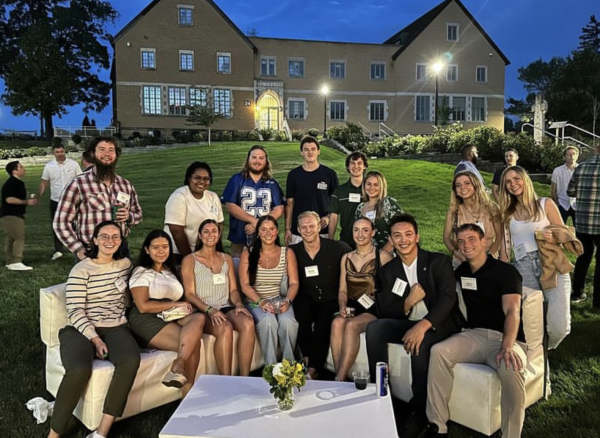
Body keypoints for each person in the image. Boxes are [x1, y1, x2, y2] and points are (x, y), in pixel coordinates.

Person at [424, 224, 526, 438]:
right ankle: (437, 425)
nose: (466, 245)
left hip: (505, 338)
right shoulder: (461, 272)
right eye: (461, 241)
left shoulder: (506, 272)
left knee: (511, 368)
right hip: (474, 334)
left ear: (484, 242)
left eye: (471, 239)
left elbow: (512, 311)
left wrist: (507, 346)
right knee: (439, 351)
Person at [365, 213, 462, 438]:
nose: (403, 239)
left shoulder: (437, 261)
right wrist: (408, 301)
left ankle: (418, 410)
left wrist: (423, 326)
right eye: (397, 236)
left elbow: (448, 298)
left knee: (421, 342)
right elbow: (385, 309)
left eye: (408, 234)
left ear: (417, 236)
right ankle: (380, 391)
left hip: (439, 324)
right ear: (391, 239)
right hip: (407, 322)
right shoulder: (389, 271)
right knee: (375, 329)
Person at [47, 221, 140, 438]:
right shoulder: (82, 269)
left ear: (121, 240)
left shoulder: (125, 264)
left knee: (130, 359)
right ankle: (54, 434)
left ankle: (101, 432)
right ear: (95, 240)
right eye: (104, 236)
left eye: (115, 236)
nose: (110, 241)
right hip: (80, 329)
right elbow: (75, 310)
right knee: (79, 369)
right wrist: (95, 339)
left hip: (116, 326)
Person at [499, 166, 570, 349]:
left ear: (525, 179)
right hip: (523, 268)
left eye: (516, 179)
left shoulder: (545, 203)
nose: (513, 184)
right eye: (508, 182)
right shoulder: (507, 214)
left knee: (558, 327)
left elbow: (564, 235)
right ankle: (540, 364)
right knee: (531, 326)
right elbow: (505, 253)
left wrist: (552, 236)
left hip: (551, 264)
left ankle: (547, 349)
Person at [129, 230, 205, 397]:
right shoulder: (142, 272)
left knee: (199, 317)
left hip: (172, 314)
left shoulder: (170, 270)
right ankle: (187, 395)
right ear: (147, 250)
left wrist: (184, 306)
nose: (161, 251)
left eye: (165, 246)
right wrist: (175, 304)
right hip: (146, 318)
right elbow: (143, 306)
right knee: (194, 345)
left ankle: (179, 364)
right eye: (155, 247)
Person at [182, 219, 255, 375]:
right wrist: (210, 310)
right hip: (203, 309)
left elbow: (234, 290)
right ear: (200, 236)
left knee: (248, 323)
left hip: (225, 305)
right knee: (225, 327)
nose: (210, 235)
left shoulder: (226, 258)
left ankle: (245, 376)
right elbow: (189, 294)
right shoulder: (190, 260)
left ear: (219, 234)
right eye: (206, 232)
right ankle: (225, 379)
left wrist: (239, 304)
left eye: (214, 231)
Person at [53, 137, 142, 260]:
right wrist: (78, 249)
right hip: (91, 251)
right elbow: (60, 222)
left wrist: (129, 216)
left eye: (111, 150)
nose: (107, 154)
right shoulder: (78, 183)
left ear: (116, 155)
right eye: (102, 149)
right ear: (92, 154)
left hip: (120, 250)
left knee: (123, 280)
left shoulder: (125, 185)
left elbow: (138, 215)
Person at [291, 211, 351, 379]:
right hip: (306, 294)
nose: (308, 230)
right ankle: (308, 359)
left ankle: (313, 369)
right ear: (298, 229)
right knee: (301, 315)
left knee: (323, 323)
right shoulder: (293, 251)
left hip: (330, 296)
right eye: (304, 227)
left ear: (319, 227)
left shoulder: (338, 248)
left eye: (311, 226)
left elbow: (354, 260)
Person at [330, 217, 390, 381]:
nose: (360, 234)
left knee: (351, 325)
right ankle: (338, 372)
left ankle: (340, 378)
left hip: (373, 308)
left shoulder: (383, 256)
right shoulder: (346, 257)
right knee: (337, 322)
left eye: (365, 230)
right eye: (356, 230)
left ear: (373, 233)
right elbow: (342, 290)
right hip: (351, 306)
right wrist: (343, 306)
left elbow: (389, 291)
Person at [240, 215, 300, 365]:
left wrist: (288, 300)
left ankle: (289, 367)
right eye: (264, 229)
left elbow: (294, 283)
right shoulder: (248, 252)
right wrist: (261, 302)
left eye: (272, 229)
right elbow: (245, 285)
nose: (268, 233)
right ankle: (271, 368)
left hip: (279, 298)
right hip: (255, 301)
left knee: (288, 322)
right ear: (258, 232)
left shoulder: (287, 253)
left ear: (277, 231)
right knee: (268, 321)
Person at [222, 145, 285, 260]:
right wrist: (253, 221)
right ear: (248, 159)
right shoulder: (237, 179)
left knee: (265, 262)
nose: (257, 161)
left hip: (266, 235)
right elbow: (230, 205)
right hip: (240, 233)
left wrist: (261, 224)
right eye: (254, 157)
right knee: (237, 264)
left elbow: (279, 207)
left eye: (261, 158)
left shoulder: (272, 183)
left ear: (266, 161)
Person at [164, 162, 224, 260]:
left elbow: (219, 224)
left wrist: (213, 249)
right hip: (179, 252)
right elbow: (176, 231)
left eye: (206, 179)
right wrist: (191, 259)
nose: (202, 181)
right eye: (197, 178)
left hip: (205, 250)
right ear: (189, 178)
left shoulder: (213, 196)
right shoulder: (179, 197)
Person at [285, 136, 338, 245]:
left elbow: (335, 203)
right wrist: (287, 229)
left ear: (318, 151)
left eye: (313, 149)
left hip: (321, 230)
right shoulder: (293, 175)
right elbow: (290, 204)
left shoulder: (329, 174)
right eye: (306, 149)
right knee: (296, 261)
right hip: (298, 231)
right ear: (301, 153)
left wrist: (328, 217)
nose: (310, 152)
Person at [443, 171, 503, 267]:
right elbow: (446, 237)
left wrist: (488, 258)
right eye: (458, 185)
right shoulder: (453, 211)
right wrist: (456, 254)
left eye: (467, 183)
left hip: (489, 261)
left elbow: (500, 236)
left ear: (476, 185)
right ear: (456, 191)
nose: (463, 187)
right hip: (463, 261)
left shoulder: (492, 208)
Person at [568, 143, 600, 305]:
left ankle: (577, 292)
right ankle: (598, 300)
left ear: (596, 148)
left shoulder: (581, 168)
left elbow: (570, 191)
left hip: (583, 222)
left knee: (583, 257)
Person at [38, 144, 82, 260]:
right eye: (57, 152)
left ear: (65, 151)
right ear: (54, 153)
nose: (60, 154)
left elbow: (81, 180)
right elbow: (44, 181)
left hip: (72, 200)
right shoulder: (49, 166)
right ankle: (58, 250)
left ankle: (76, 248)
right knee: (57, 225)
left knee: (74, 224)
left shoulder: (73, 164)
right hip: (56, 200)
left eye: (62, 151)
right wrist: (39, 195)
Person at [1, 161, 37, 271]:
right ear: (14, 171)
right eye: (21, 167)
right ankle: (16, 261)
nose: (24, 168)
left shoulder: (17, 183)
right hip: (11, 214)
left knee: (11, 237)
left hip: (10, 214)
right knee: (19, 237)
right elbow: (9, 199)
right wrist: (26, 202)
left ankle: (9, 261)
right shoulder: (12, 183)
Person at [354, 170, 402, 252]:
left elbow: (400, 231)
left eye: (376, 185)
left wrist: (382, 254)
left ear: (382, 186)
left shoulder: (389, 204)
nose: (371, 188)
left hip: (389, 255)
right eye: (369, 184)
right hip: (367, 255)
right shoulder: (360, 208)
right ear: (364, 185)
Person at [328, 151, 368, 247]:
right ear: (348, 167)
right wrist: (330, 240)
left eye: (359, 163)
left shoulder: (371, 189)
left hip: (368, 240)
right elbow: (333, 217)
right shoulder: (339, 191)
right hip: (346, 241)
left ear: (365, 166)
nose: (356, 166)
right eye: (352, 163)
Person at [552, 146, 579, 225]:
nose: (572, 156)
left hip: (577, 205)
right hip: (562, 204)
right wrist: (557, 204)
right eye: (569, 154)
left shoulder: (581, 169)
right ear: (565, 156)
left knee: (579, 232)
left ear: (577, 156)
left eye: (574, 154)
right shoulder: (557, 170)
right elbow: (553, 190)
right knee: (560, 230)